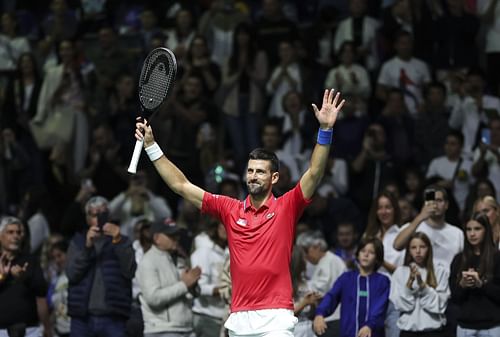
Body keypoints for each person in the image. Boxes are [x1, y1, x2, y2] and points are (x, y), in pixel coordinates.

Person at [133, 88, 346, 337]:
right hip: (239, 319)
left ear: (274, 177)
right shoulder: (230, 209)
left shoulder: (287, 206)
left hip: (275, 318)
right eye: (250, 171)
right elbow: (181, 186)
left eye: (260, 171)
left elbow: (315, 172)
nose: (253, 176)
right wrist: (150, 146)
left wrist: (326, 130)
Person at [66, 196, 137, 337]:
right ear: (87, 218)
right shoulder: (78, 242)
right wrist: (87, 248)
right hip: (82, 318)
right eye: (94, 214)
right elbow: (72, 275)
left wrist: (118, 241)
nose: (98, 218)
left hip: (114, 317)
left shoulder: (122, 241)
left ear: (109, 216)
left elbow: (130, 271)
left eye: (102, 214)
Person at [136, 218, 201, 337]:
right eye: (171, 235)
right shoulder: (148, 261)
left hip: (186, 328)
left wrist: (193, 284)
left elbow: (190, 294)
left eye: (176, 235)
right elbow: (153, 298)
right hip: (162, 330)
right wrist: (184, 285)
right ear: (156, 238)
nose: (176, 238)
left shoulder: (178, 259)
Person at [313, 237, 390, 337]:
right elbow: (331, 297)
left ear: (377, 258)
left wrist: (369, 325)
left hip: (372, 333)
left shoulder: (382, 281)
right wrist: (320, 313)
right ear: (357, 254)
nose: (366, 255)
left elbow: (380, 307)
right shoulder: (346, 278)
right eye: (363, 251)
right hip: (347, 333)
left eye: (371, 252)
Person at [0, 216, 52, 337]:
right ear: (0, 236)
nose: (16, 236)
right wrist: (2, 276)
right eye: (10, 232)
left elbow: (41, 295)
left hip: (30, 330)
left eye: (18, 232)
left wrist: (24, 279)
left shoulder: (31, 261)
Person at [449, 212, 500, 337]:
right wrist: (462, 285)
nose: (472, 234)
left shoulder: (497, 258)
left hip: (492, 327)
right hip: (465, 327)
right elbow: (454, 297)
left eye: (477, 229)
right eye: (468, 229)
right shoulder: (459, 260)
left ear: (486, 230)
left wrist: (481, 284)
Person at [390, 232, 450, 336]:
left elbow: (440, 305)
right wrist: (409, 283)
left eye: (422, 247)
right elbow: (401, 306)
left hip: (433, 332)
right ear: (409, 250)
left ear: (429, 249)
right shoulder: (400, 272)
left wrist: (422, 286)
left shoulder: (439, 271)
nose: (418, 251)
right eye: (413, 247)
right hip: (408, 332)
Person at [393, 186, 464, 268]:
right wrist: (420, 217)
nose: (435, 204)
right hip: (418, 278)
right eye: (431, 201)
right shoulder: (413, 227)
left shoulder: (457, 233)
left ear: (446, 205)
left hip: (446, 279)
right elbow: (397, 246)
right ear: (424, 204)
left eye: (439, 200)